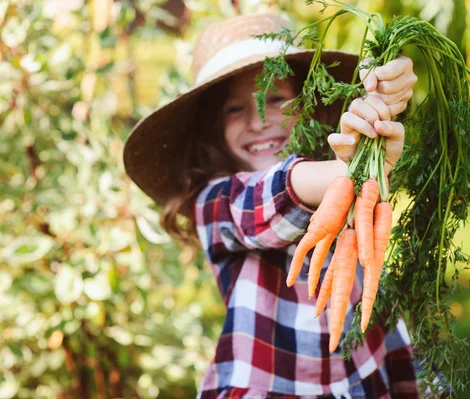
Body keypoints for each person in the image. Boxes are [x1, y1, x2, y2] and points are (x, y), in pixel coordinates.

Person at [124, 12, 419, 399]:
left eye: (275, 99)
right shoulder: (216, 204)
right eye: (234, 109)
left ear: (309, 106)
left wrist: (383, 105)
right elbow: (272, 198)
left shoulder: (339, 183)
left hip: (363, 375)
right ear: (212, 129)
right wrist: (347, 171)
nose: (258, 120)